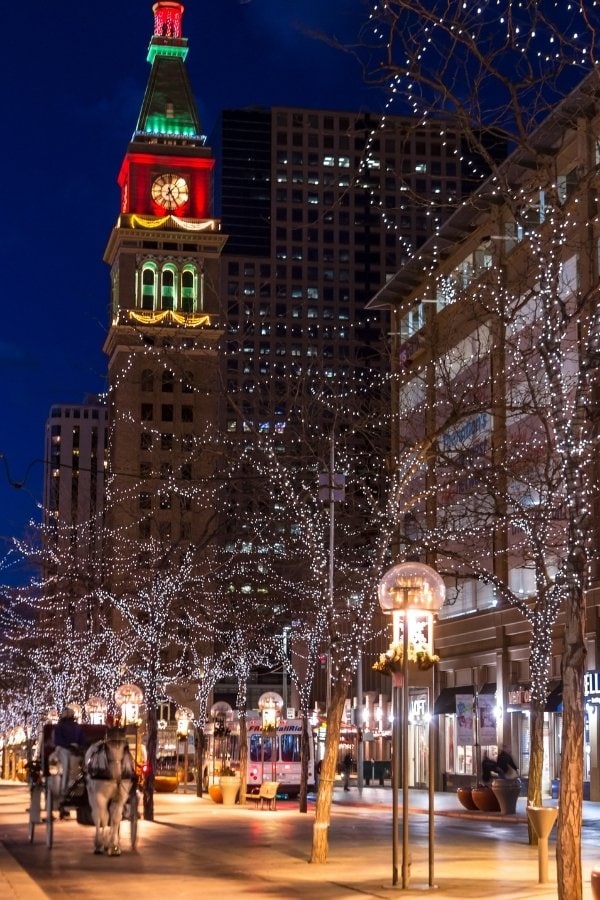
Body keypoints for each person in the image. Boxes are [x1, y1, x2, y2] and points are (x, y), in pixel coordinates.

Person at [52, 708, 85, 816]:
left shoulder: (76, 727)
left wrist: (79, 747)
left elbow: (82, 739)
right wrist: (70, 746)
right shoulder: (60, 727)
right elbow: (58, 741)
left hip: (75, 750)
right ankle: (64, 788)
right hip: (63, 750)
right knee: (66, 767)